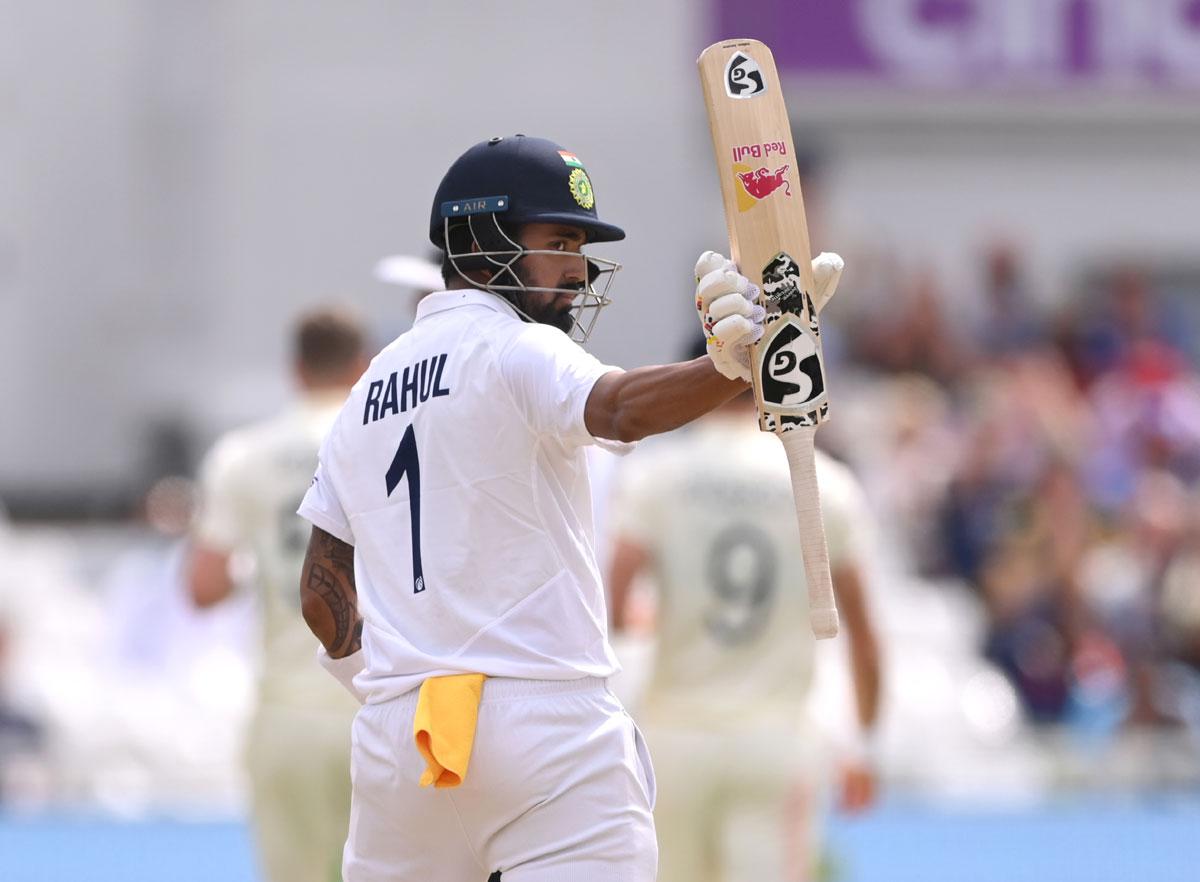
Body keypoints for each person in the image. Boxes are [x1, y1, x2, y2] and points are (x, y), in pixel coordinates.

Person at [296, 134, 844, 882]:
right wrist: (736, 363)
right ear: (483, 241)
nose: (579, 271)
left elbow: (320, 595)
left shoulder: (364, 393)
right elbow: (617, 408)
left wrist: (392, 687)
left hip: (404, 743)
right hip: (546, 727)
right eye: (557, 241)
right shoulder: (513, 347)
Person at [606, 375, 882, 882]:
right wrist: (863, 745)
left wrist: (655, 618)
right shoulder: (825, 481)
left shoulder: (658, 475)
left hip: (675, 736)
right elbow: (863, 631)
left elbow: (612, 605)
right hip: (775, 740)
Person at [188, 309, 369, 882]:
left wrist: (266, 569)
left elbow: (203, 585)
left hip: (286, 713)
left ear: (295, 370)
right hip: (380, 701)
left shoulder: (242, 455)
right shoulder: (384, 436)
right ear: (363, 366)